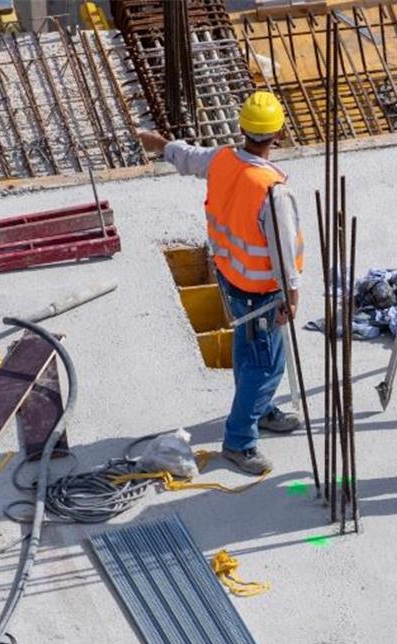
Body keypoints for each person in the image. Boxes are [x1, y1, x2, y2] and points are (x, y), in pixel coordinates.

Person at [138, 91, 305, 476]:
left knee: (246, 352)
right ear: (277, 134)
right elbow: (281, 250)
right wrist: (291, 296)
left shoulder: (223, 159)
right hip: (261, 291)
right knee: (266, 366)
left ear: (243, 128)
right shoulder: (272, 189)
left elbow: (187, 158)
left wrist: (161, 144)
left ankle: (260, 409)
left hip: (231, 279)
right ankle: (240, 442)